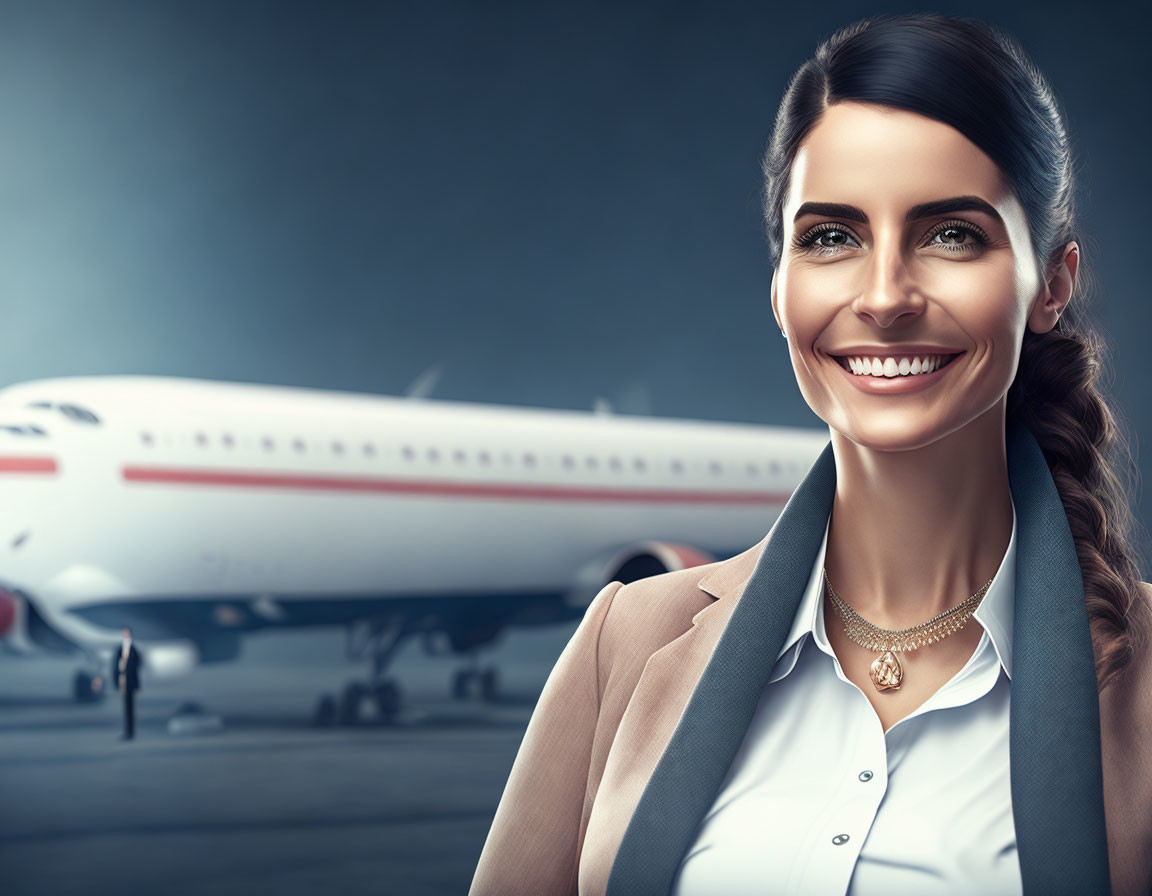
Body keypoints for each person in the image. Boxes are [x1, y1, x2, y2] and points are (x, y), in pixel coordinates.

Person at [469, 13, 1152, 896]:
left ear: (1049, 285)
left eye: (952, 234)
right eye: (832, 237)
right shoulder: (623, 647)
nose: (884, 297)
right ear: (780, 288)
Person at [113, 626, 142, 740]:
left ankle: (130, 732)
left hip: (130, 682)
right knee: (127, 709)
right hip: (125, 682)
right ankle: (129, 732)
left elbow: (136, 667)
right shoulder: (123, 649)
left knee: (129, 709)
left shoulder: (132, 649)